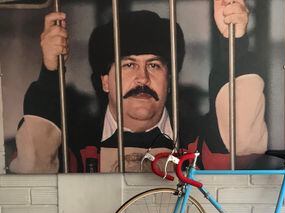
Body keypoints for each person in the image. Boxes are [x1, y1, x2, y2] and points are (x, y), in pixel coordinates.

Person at [9, 1, 268, 173]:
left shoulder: (201, 141)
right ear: (105, 81)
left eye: (154, 65)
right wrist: (50, 72)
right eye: (128, 65)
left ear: (170, 80)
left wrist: (235, 42)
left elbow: (243, 141)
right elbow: (34, 166)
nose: (142, 79)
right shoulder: (75, 143)